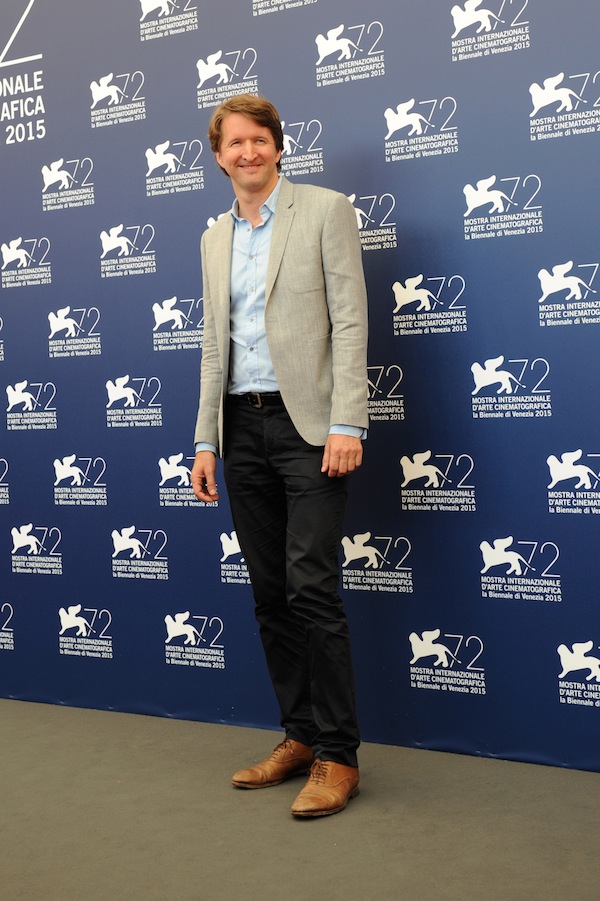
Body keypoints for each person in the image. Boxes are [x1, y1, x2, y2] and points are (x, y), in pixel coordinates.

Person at [191, 94, 368, 818]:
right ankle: (298, 735)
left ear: (278, 146)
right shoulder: (213, 237)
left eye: (259, 139)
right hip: (240, 427)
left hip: (311, 427)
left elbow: (350, 320)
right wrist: (205, 439)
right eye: (235, 143)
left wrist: (348, 420)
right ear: (218, 156)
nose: (248, 152)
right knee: (269, 593)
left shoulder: (325, 210)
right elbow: (214, 345)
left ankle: (339, 755)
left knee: (311, 588)